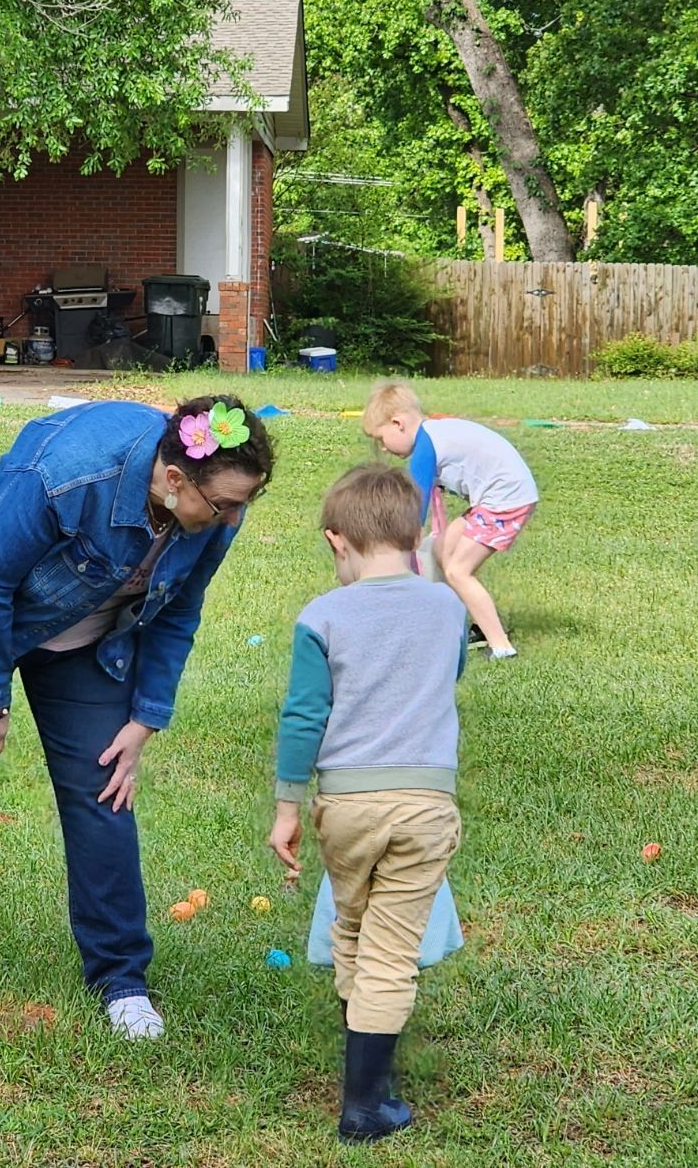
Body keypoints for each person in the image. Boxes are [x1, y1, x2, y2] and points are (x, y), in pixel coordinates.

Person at [0, 395, 273, 1041]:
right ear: (172, 480)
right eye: (224, 505)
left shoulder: (213, 514)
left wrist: (144, 718)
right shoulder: (67, 475)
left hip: (83, 632)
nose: (234, 518)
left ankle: (122, 981)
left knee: (101, 787)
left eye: (246, 502)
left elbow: (179, 611)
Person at [267, 464, 467, 1144]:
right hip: (422, 802)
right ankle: (364, 1106)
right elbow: (452, 673)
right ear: (415, 537)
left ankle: (369, 1077)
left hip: (345, 805)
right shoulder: (448, 607)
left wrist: (287, 808)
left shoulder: (320, 615)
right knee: (391, 951)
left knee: (353, 929)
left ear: (336, 541)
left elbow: (302, 717)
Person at [361, 380, 538, 660]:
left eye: (381, 439)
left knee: (458, 570)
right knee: (443, 548)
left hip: (504, 500)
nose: (383, 448)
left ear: (398, 423)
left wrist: (403, 548)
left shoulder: (424, 447)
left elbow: (416, 504)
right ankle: (470, 625)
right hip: (499, 496)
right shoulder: (433, 433)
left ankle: (502, 646)